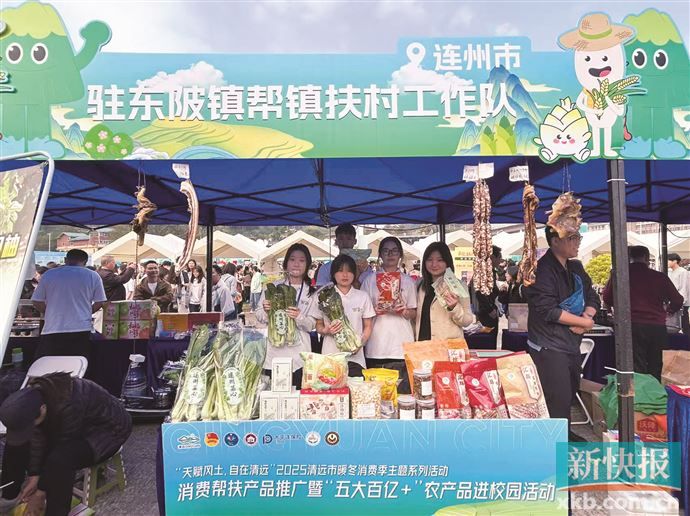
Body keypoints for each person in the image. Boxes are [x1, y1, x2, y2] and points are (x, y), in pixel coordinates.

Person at [0, 373, 132, 516]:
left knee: (60, 460)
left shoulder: (70, 404)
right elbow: (37, 436)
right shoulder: (32, 397)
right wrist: (34, 474)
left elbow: (59, 448)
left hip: (109, 431)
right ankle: (9, 496)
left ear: (43, 408)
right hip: (78, 426)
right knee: (16, 444)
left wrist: (40, 492)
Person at [525, 226, 599, 423]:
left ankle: (565, 435)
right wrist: (584, 322)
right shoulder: (541, 270)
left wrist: (587, 317)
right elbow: (548, 310)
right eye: (572, 238)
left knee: (569, 396)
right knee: (557, 400)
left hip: (571, 344)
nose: (578, 242)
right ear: (555, 241)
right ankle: (558, 440)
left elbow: (592, 296)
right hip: (549, 346)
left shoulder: (576, 267)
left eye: (578, 237)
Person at [603, 246, 683, 380]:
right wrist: (668, 310)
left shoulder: (620, 275)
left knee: (635, 367)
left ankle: (638, 392)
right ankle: (655, 391)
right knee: (656, 365)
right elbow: (678, 299)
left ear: (629, 257)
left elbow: (607, 298)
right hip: (656, 326)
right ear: (646, 258)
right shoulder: (659, 277)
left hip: (630, 325)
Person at [361, 237, 417, 393]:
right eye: (386, 251)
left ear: (400, 254)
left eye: (394, 251)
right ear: (380, 254)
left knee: (401, 395)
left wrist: (404, 311)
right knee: (377, 395)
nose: (390, 254)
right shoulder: (369, 281)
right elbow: (362, 314)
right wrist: (374, 310)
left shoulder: (408, 281)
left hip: (401, 347)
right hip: (376, 347)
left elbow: (414, 313)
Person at [256, 244, 317, 387]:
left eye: (302, 260)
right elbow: (258, 314)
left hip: (300, 357)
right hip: (273, 355)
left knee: (298, 396)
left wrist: (299, 317)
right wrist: (266, 311)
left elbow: (311, 325)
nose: (296, 264)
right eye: (292, 259)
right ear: (286, 263)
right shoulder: (272, 287)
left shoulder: (312, 292)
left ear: (308, 265)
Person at [31, 249, 106, 361]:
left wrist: (49, 312)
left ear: (65, 260)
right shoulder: (92, 275)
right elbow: (100, 302)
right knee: (78, 365)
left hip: (53, 328)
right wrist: (86, 312)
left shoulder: (49, 274)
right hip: (81, 328)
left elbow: (36, 301)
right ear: (85, 262)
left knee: (51, 366)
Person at [312, 254, 375, 377]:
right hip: (331, 355)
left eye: (349, 271)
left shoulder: (362, 296)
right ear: (333, 273)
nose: (345, 275)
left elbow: (368, 326)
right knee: (331, 387)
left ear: (355, 273)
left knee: (356, 387)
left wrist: (360, 343)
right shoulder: (323, 296)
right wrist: (325, 330)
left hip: (356, 358)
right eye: (340, 271)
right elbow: (318, 324)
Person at [415, 242, 473, 341]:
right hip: (422, 346)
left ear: (447, 262)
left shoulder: (458, 286)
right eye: (429, 260)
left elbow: (467, 321)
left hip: (448, 346)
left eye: (440, 260)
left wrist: (454, 307)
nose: (434, 264)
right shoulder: (419, 285)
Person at [315, 224, 372, 288]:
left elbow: (369, 289)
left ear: (355, 241)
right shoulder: (326, 268)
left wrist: (359, 273)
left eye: (349, 239)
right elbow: (321, 290)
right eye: (341, 239)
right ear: (336, 242)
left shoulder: (364, 268)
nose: (345, 242)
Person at [469, 245, 501, 335]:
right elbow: (480, 293)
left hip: (483, 311)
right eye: (499, 258)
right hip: (486, 313)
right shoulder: (485, 273)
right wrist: (490, 310)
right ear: (492, 257)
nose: (500, 261)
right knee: (488, 338)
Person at [668, 253, 690, 335]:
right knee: (675, 322)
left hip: (681, 301)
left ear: (675, 261)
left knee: (683, 322)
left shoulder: (683, 272)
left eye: (669, 260)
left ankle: (686, 338)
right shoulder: (670, 272)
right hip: (674, 300)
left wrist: (682, 301)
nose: (667, 262)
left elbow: (684, 287)